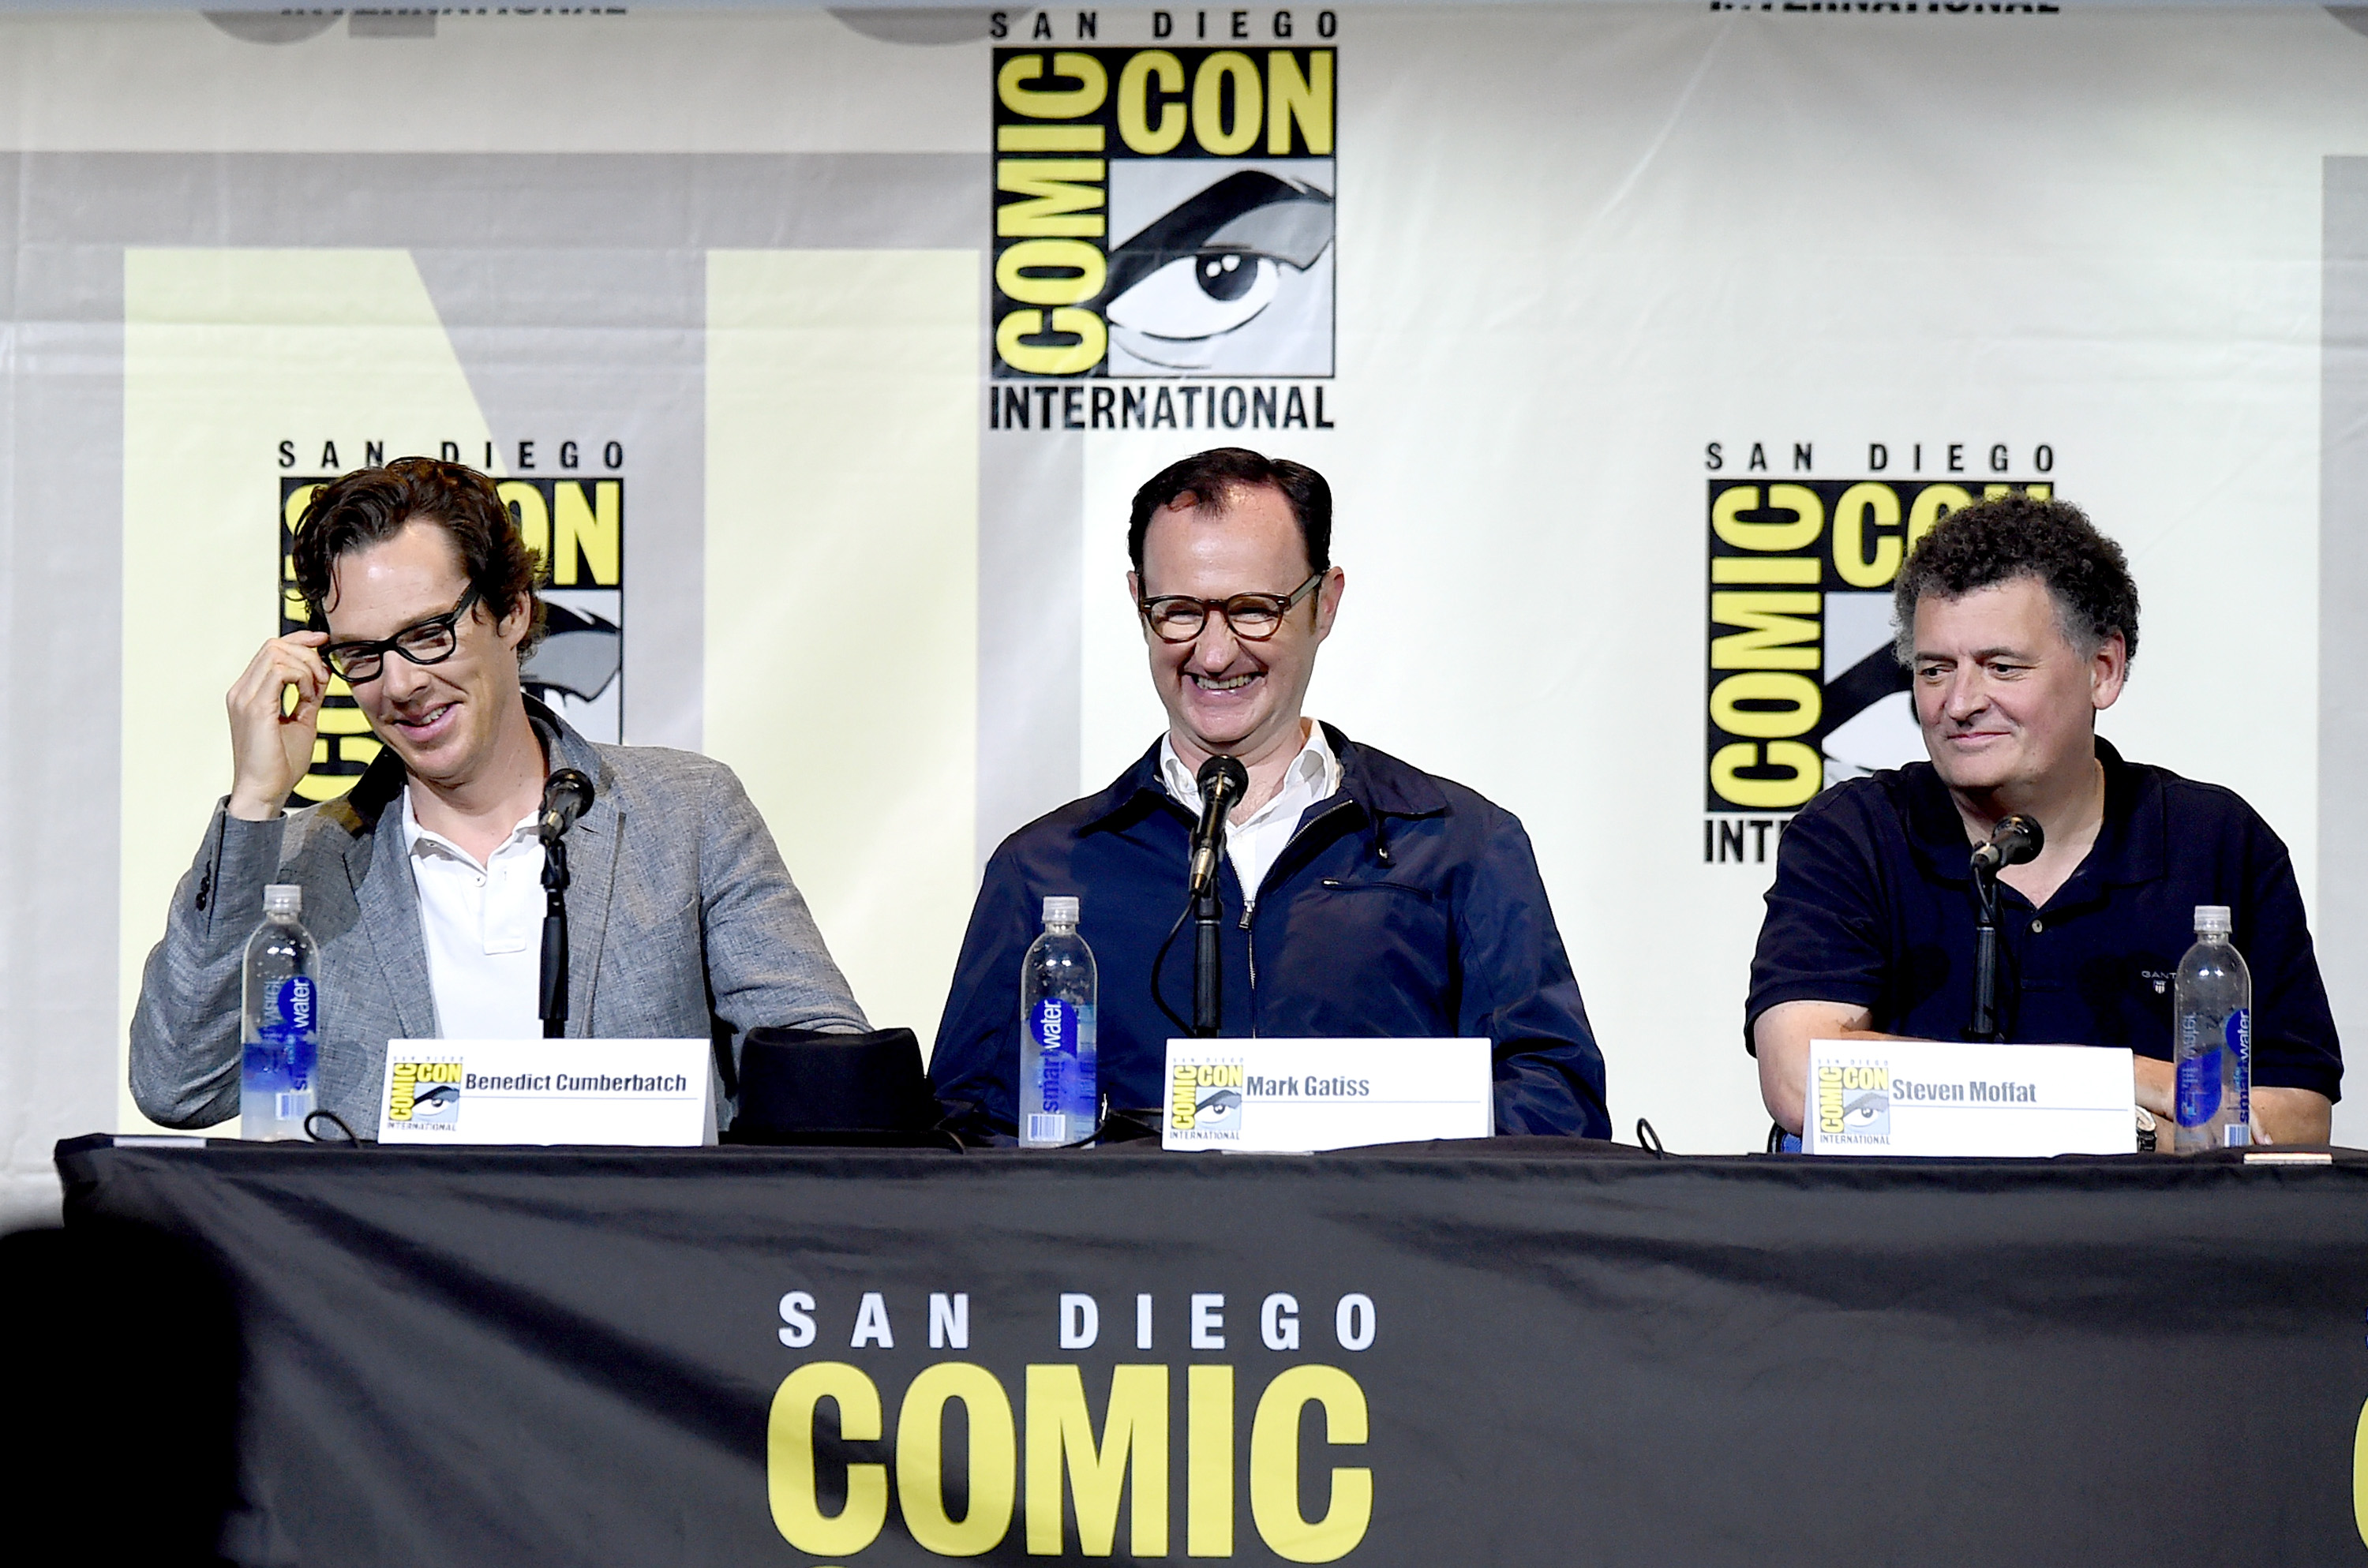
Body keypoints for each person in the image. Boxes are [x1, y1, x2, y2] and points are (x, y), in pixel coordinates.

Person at [130, 458, 866, 1132]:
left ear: (512, 611)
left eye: (428, 634)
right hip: (390, 1276)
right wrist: (257, 803)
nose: (401, 684)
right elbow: (179, 1085)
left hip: (638, 1268)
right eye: (362, 653)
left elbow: (824, 1065)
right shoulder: (296, 863)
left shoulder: (685, 812)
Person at [931, 447, 1609, 1137]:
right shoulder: (1042, 870)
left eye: (1255, 610)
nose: (1215, 652)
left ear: (1326, 602)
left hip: (1380, 1242)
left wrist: (1382, 1137)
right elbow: (962, 1142)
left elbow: (1560, 1110)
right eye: (1180, 610)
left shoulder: (1458, 842)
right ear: (1139, 604)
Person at [1748, 492, 2340, 1143]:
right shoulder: (1852, 834)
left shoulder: (2217, 841)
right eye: (1935, 670)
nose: (1960, 702)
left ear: (2103, 672)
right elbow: (1803, 1080)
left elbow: (2298, 1115)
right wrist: (2130, 1083)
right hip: (1909, 1242)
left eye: (2002, 667)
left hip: (2148, 1243)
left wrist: (2135, 1138)